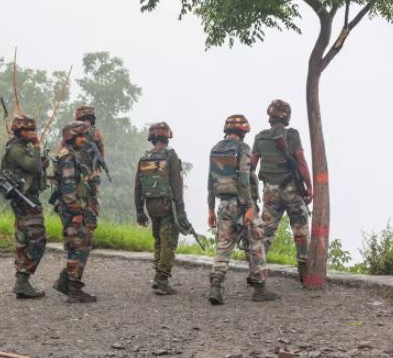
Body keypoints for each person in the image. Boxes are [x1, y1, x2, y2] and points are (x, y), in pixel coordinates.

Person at [207, 115, 280, 305]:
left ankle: (216, 285)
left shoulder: (215, 149)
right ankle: (260, 289)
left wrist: (210, 210)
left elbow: (210, 181)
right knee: (256, 242)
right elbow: (244, 180)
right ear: (243, 131)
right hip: (242, 204)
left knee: (223, 245)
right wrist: (249, 207)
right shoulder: (243, 149)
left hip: (223, 205)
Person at [251, 99, 313, 281]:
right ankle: (304, 273)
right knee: (300, 229)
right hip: (292, 190)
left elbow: (251, 167)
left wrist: (252, 194)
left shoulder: (260, 137)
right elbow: (300, 161)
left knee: (265, 232)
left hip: (270, 191)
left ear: (270, 116)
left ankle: (256, 271)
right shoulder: (292, 135)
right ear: (287, 117)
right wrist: (309, 187)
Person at [134, 122, 192, 295]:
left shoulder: (144, 158)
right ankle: (162, 280)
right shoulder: (170, 156)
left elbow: (137, 187)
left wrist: (139, 211)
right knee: (168, 243)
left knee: (159, 241)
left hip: (151, 207)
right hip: (168, 207)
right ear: (167, 137)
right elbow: (176, 186)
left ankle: (158, 276)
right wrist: (181, 212)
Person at [1, 114, 48, 298]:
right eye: (29, 130)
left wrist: (41, 162)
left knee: (24, 238)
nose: (33, 133)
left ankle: (22, 282)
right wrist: (37, 148)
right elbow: (33, 167)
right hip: (26, 200)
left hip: (26, 197)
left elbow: (34, 168)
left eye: (33, 129)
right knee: (37, 239)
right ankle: (22, 280)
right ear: (20, 131)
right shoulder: (16, 149)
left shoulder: (20, 148)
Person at [51, 121, 97, 303]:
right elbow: (69, 191)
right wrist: (77, 212)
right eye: (80, 136)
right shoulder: (68, 157)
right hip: (73, 210)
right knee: (78, 247)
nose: (83, 139)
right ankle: (73, 289)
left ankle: (68, 284)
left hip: (74, 208)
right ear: (71, 137)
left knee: (78, 246)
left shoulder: (70, 155)